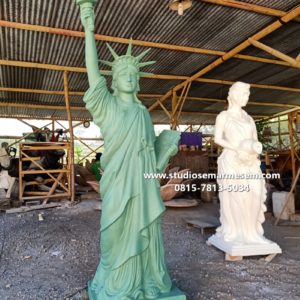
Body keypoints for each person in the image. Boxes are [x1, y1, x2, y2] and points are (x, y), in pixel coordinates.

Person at [77, 1, 182, 299]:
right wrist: (89, 30)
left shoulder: (143, 114)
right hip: (118, 185)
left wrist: (165, 152)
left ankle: (146, 283)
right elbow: (93, 73)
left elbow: (151, 159)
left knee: (146, 232)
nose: (130, 77)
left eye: (134, 75)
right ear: (114, 80)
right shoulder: (107, 106)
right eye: (124, 73)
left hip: (143, 186)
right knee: (112, 234)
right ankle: (115, 284)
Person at [214, 81, 271, 244]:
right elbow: (218, 139)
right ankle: (234, 231)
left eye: (248, 94)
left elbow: (255, 140)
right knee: (236, 196)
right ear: (234, 95)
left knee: (255, 193)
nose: (247, 97)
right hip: (232, 160)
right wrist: (238, 148)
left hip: (250, 161)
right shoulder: (223, 116)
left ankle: (251, 233)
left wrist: (251, 151)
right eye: (244, 94)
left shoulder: (248, 118)